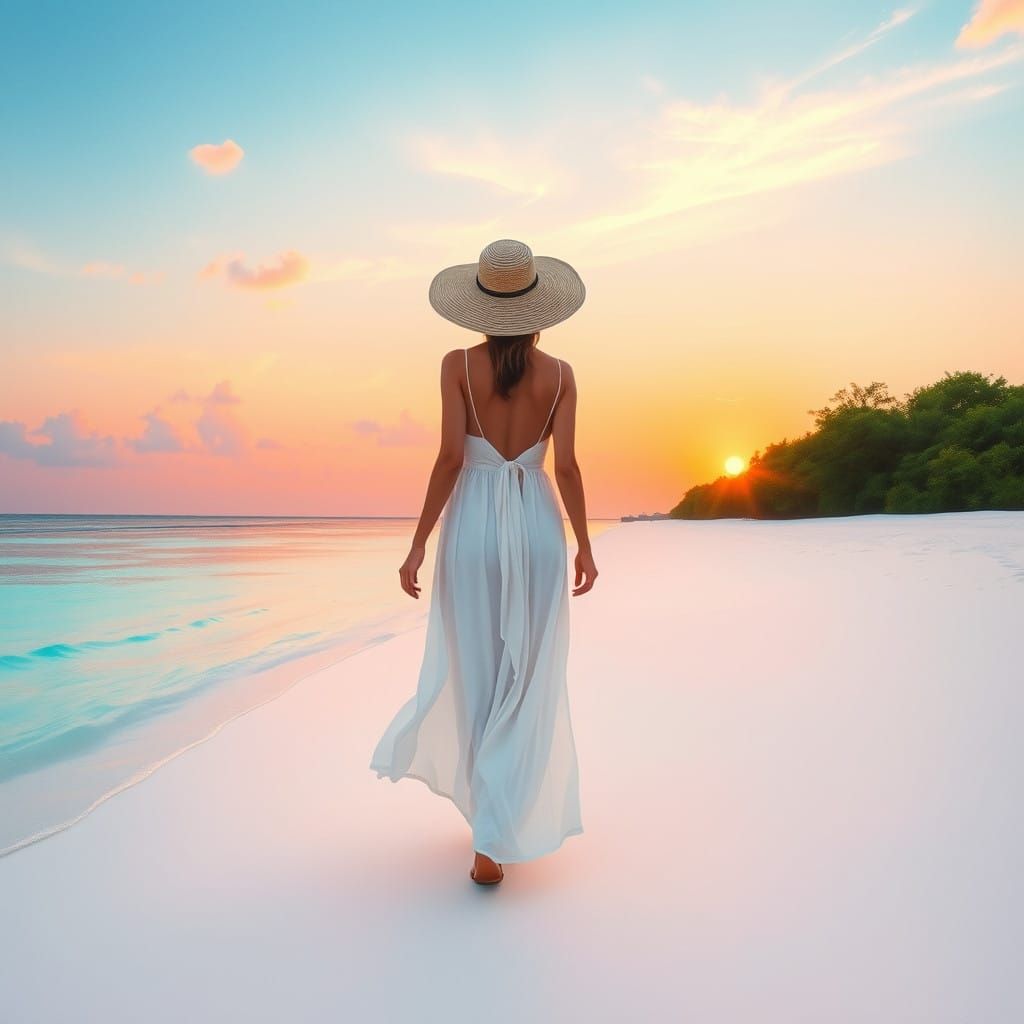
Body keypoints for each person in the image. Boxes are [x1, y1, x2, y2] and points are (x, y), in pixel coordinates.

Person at [369, 238, 597, 886]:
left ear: (478, 309)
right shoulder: (562, 376)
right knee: (527, 680)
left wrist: (416, 544)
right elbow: (569, 467)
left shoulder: (456, 366)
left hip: (471, 527)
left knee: (475, 672)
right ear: (540, 307)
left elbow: (449, 459)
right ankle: (500, 826)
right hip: (535, 526)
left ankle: (488, 841)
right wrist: (583, 543)